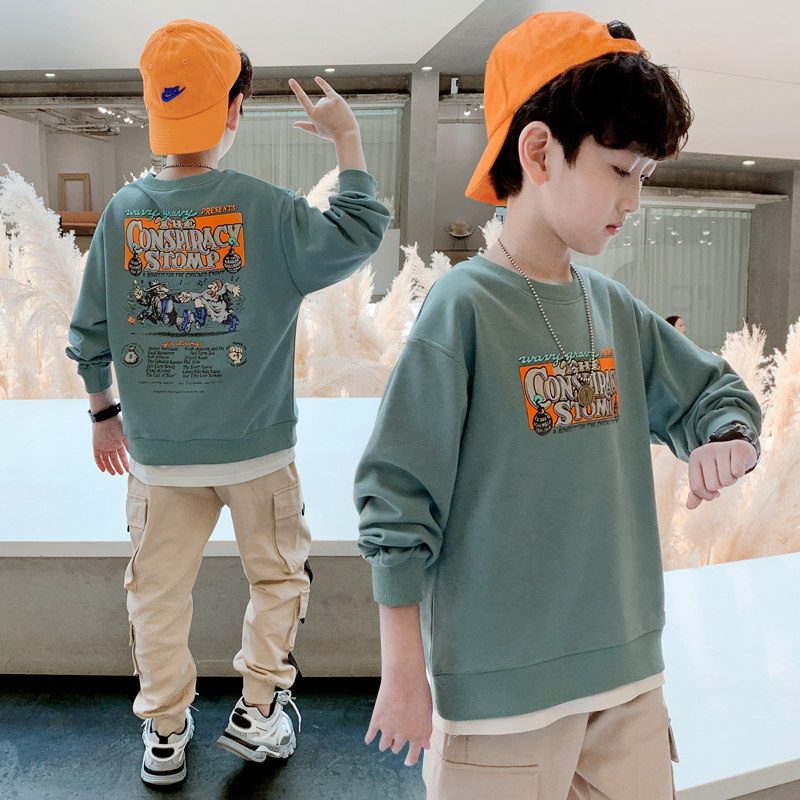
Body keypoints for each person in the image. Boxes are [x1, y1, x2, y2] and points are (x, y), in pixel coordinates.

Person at [354, 12, 760, 800]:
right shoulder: (462, 309)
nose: (633, 199)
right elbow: (398, 502)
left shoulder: (612, 309)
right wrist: (403, 673)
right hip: (500, 705)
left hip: (629, 688)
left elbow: (718, 393)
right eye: (620, 170)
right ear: (538, 152)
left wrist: (728, 438)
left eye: (643, 176)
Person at [66, 19, 390, 786]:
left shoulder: (122, 213)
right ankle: (259, 710)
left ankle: (164, 734)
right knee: (277, 580)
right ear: (234, 108)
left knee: (156, 597)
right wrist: (347, 139)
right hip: (259, 452)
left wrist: (104, 414)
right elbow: (359, 230)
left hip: (158, 457)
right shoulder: (267, 210)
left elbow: (89, 332)